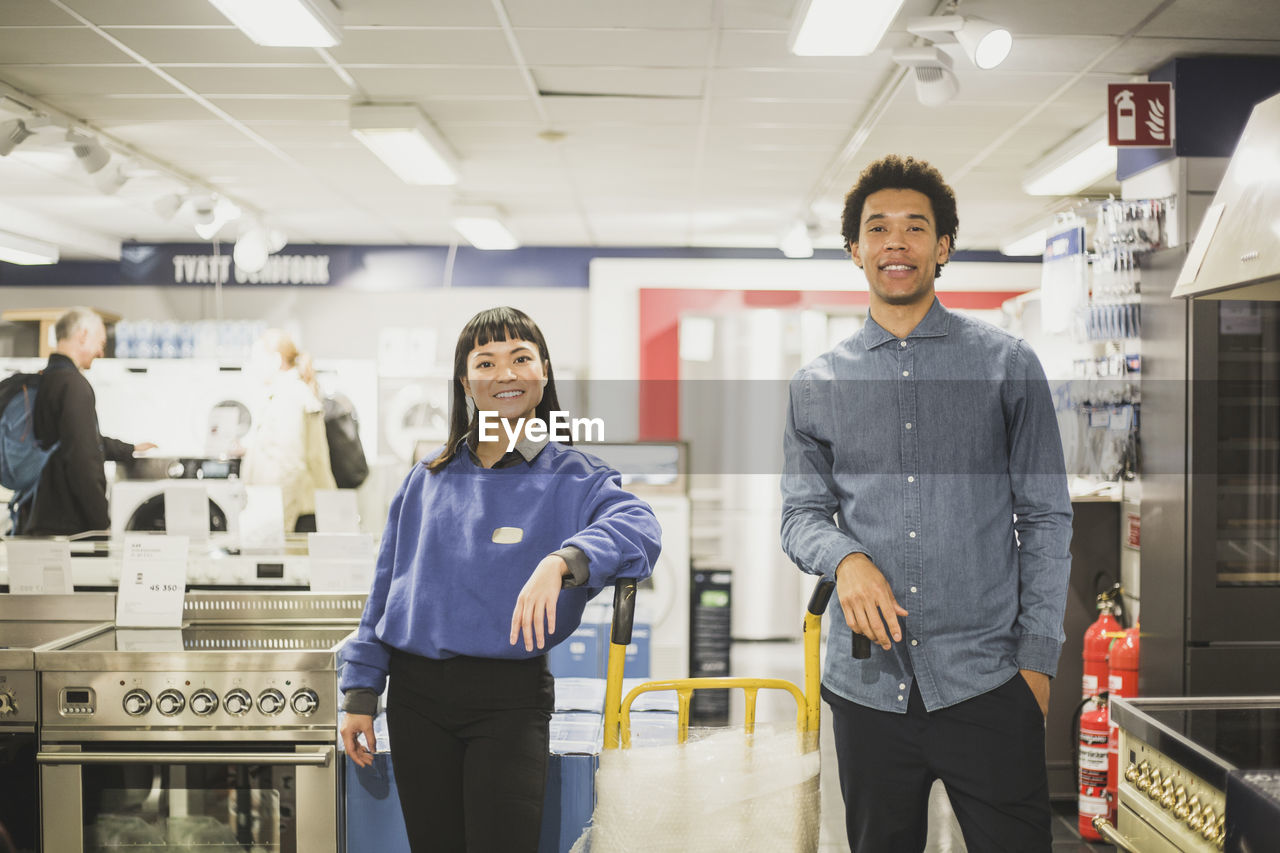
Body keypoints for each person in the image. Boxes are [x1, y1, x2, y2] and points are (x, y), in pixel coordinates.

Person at [780, 155, 1072, 852]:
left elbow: (1047, 515)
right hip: (869, 691)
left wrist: (1035, 663)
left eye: (916, 227)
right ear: (855, 249)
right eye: (878, 228)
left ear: (943, 248)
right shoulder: (817, 383)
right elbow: (799, 514)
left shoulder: (1007, 364)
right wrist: (844, 557)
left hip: (989, 678)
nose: (896, 242)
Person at [339, 306, 661, 852]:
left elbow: (640, 527)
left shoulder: (574, 474)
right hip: (417, 700)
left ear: (543, 374)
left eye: (520, 358)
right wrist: (360, 691)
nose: (505, 374)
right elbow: (386, 591)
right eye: (485, 362)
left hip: (509, 702)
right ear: (465, 381)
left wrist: (562, 561)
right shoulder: (427, 478)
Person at [22, 307, 156, 536]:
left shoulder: (44, 379)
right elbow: (83, 458)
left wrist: (129, 448)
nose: (101, 353)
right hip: (68, 526)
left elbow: (76, 438)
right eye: (100, 344)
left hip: (36, 515)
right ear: (82, 335)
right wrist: (101, 521)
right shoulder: (74, 385)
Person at [239, 330, 336, 532]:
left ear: (275, 360)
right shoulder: (288, 393)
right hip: (297, 511)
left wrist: (280, 527)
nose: (252, 367)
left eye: (255, 359)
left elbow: (291, 466)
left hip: (295, 515)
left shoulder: (288, 396)